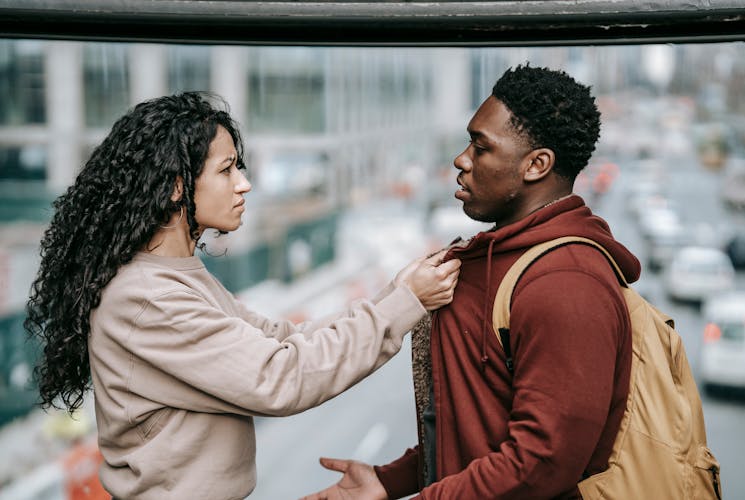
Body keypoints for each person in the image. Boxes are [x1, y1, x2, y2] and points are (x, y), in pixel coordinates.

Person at [24, 91, 461, 500]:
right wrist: (407, 305)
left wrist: (395, 293)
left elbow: (279, 336)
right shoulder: (145, 299)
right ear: (177, 187)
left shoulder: (176, 276)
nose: (244, 184)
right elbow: (281, 377)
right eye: (226, 169)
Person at [303, 64, 640, 499]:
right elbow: (476, 427)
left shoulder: (568, 284)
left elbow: (541, 462)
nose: (461, 159)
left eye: (481, 147)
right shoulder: (493, 256)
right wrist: (390, 481)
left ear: (536, 165)